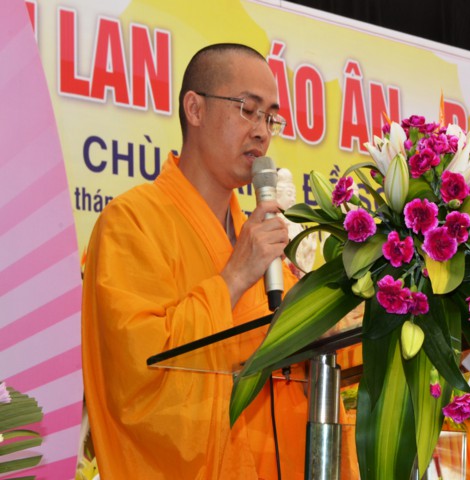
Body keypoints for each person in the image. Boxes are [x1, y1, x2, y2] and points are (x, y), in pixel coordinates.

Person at [82, 43, 309, 479]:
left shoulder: (263, 245)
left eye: (271, 118)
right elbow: (137, 375)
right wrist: (234, 278)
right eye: (248, 110)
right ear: (195, 109)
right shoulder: (129, 222)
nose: (262, 132)